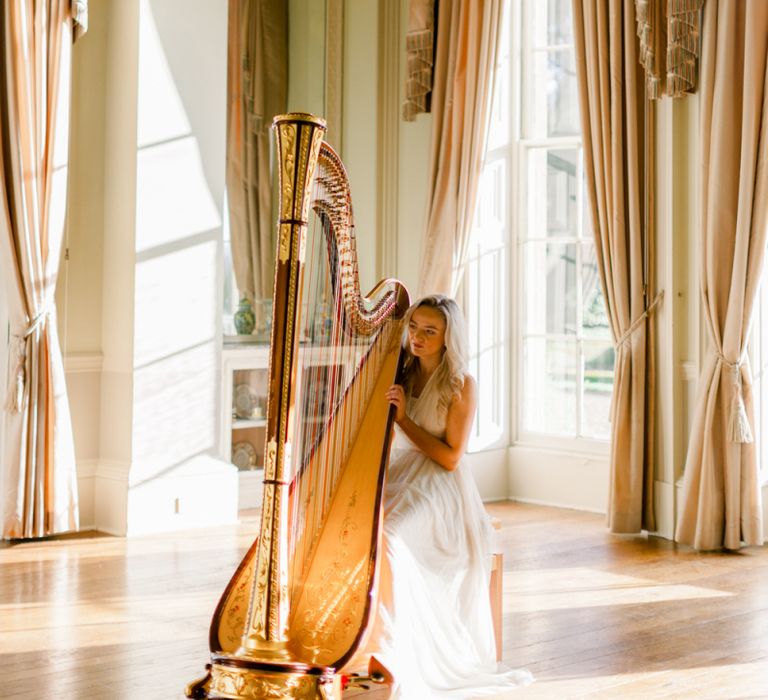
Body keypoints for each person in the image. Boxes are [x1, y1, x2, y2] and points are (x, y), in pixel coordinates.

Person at [359, 295, 533, 699]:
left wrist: (403, 419)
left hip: (440, 484)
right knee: (358, 527)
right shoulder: (399, 372)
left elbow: (451, 458)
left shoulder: (461, 384)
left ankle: (391, 654)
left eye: (429, 331)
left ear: (447, 338)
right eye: (414, 328)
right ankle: (361, 642)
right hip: (401, 473)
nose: (418, 337)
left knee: (390, 538)